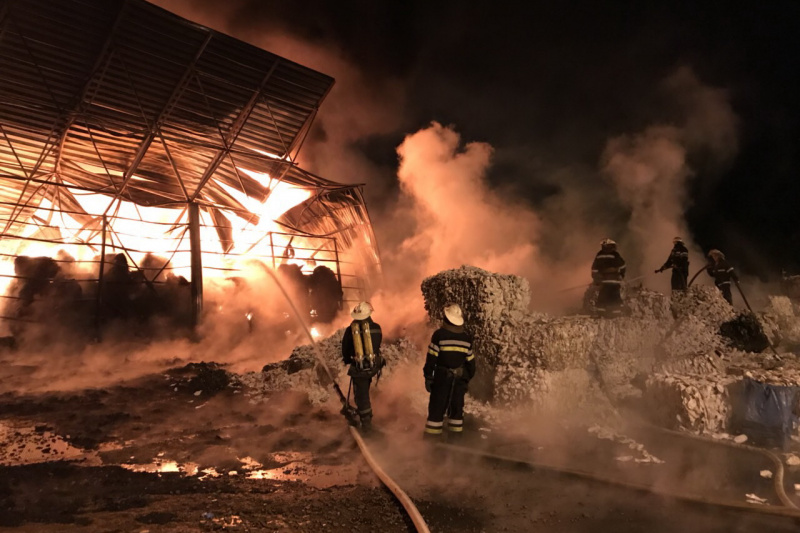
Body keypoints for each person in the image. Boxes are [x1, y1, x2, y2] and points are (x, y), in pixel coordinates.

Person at [423, 303, 475, 438]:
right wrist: (465, 378)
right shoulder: (466, 339)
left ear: (446, 319)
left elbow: (431, 358)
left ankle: (432, 439)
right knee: (456, 410)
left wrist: (428, 377)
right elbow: (471, 365)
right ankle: (455, 439)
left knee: (437, 408)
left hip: (442, 378)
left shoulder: (439, 335)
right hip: (458, 380)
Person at [341, 301, 383, 432]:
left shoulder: (351, 330)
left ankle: (366, 425)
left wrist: (348, 360)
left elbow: (346, 349)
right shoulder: (377, 327)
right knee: (365, 391)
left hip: (359, 368)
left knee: (361, 395)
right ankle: (366, 417)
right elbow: (377, 345)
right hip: (373, 366)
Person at [591, 239, 627, 317]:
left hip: (603, 281)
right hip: (614, 280)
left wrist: (596, 279)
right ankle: (616, 313)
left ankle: (601, 313)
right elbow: (623, 266)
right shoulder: (615, 254)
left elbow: (594, 268)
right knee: (615, 297)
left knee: (603, 296)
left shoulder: (599, 255)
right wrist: (621, 275)